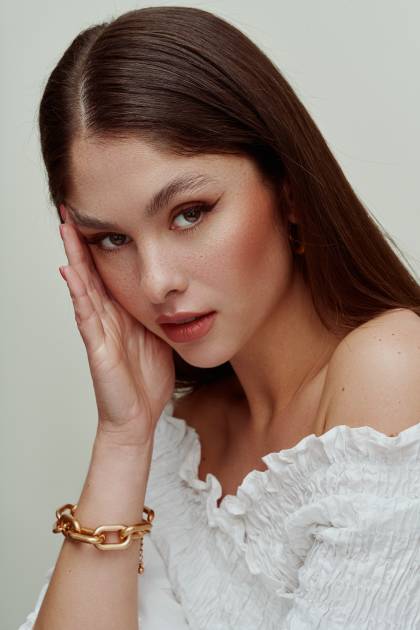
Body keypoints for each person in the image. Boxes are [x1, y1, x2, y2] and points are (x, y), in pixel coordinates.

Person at [20, 6, 420, 630]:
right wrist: (123, 439)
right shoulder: (177, 435)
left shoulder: (390, 366)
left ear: (288, 191)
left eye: (190, 213)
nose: (156, 282)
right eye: (112, 240)